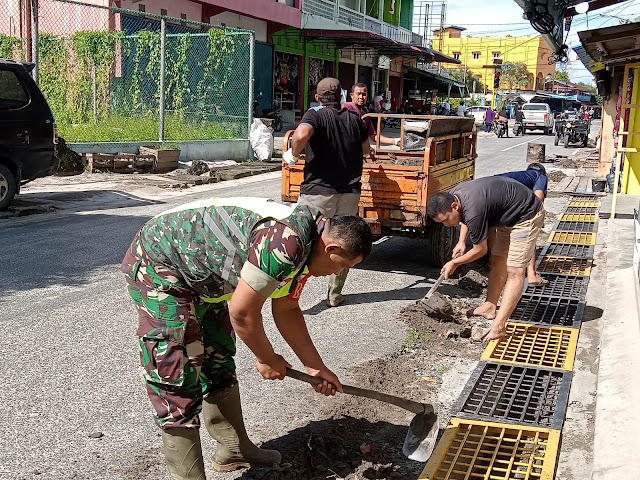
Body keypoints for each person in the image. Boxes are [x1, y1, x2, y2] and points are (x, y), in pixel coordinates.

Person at [122, 197, 373, 478]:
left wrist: (316, 367)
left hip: (205, 275)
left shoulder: (309, 250)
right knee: (175, 370)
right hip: (163, 262)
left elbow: (287, 308)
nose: (338, 273)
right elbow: (242, 313)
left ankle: (233, 448)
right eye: (341, 265)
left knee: (217, 353)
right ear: (332, 248)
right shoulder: (287, 244)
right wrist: (266, 358)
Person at [284, 77, 371, 307]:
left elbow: (301, 135)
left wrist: (292, 155)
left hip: (318, 193)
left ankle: (288, 294)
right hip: (350, 192)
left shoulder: (315, 114)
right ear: (343, 95)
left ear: (317, 97)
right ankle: (334, 295)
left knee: (301, 240)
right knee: (343, 243)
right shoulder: (354, 118)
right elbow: (366, 149)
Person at [427, 176, 544, 341]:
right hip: (507, 216)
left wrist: (454, 262)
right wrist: (461, 242)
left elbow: (480, 250)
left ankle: (499, 326)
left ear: (454, 206)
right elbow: (466, 217)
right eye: (442, 222)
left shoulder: (473, 208)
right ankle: (489, 307)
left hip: (527, 214)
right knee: (498, 262)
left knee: (515, 270)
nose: (446, 225)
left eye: (446, 220)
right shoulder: (453, 197)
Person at [455, 164, 548, 286]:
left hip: (491, 196)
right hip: (507, 202)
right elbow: (538, 198)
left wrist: (461, 241)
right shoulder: (540, 176)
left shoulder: (517, 176)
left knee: (491, 227)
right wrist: (538, 218)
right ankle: (532, 275)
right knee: (529, 233)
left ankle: (494, 263)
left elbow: (470, 213)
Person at [343, 83, 401, 147]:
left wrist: (395, 141)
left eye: (364, 94)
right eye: (358, 94)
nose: (361, 97)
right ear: (352, 95)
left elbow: (373, 136)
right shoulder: (346, 107)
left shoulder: (365, 115)